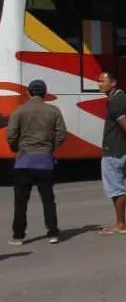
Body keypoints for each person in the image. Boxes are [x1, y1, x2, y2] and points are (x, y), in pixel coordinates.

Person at [7, 79, 66, 245]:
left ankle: (18, 236)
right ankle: (53, 233)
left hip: (24, 161)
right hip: (45, 161)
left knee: (20, 202)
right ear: (45, 93)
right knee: (48, 199)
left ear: (29, 92)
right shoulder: (53, 110)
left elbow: (10, 134)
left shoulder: (19, 111)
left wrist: (16, 148)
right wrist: (50, 148)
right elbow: (62, 134)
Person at [99, 70, 126, 235]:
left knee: (116, 189)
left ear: (113, 82)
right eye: (99, 81)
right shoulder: (122, 98)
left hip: (114, 151)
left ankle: (120, 224)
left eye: (103, 81)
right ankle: (120, 223)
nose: (99, 84)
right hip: (121, 150)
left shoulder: (116, 102)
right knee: (117, 187)